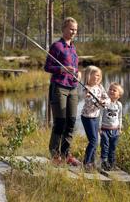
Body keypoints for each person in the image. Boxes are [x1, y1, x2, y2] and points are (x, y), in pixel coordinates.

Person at [44, 17, 81, 166]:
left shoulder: (73, 47)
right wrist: (61, 69)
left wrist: (78, 74)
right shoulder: (57, 46)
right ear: (64, 29)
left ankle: (66, 154)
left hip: (72, 88)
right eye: (71, 29)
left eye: (75, 30)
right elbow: (47, 67)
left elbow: (75, 67)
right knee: (60, 122)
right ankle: (55, 155)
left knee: (71, 122)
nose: (73, 32)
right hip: (59, 86)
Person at [81, 65, 110, 171]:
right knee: (93, 140)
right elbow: (89, 101)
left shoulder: (100, 87)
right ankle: (86, 162)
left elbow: (107, 98)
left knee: (96, 140)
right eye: (95, 75)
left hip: (96, 116)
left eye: (99, 75)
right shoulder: (86, 88)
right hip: (87, 117)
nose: (97, 77)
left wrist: (104, 102)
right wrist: (99, 103)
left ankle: (92, 162)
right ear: (89, 76)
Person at [100, 82, 124, 171]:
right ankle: (104, 162)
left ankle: (112, 162)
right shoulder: (105, 103)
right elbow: (100, 115)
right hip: (105, 129)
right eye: (110, 89)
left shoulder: (119, 105)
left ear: (119, 95)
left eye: (114, 90)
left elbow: (120, 117)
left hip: (115, 130)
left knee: (113, 147)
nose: (111, 91)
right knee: (105, 146)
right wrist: (99, 128)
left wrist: (120, 128)